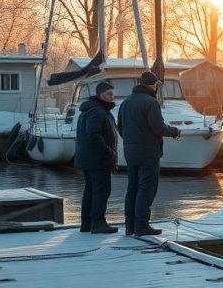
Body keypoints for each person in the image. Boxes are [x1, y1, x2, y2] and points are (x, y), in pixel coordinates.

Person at [117, 71, 180, 236]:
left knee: (132, 188)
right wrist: (174, 132)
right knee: (147, 188)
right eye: (156, 85)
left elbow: (120, 128)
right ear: (153, 85)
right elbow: (158, 127)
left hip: (129, 151)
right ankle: (142, 226)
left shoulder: (125, 103)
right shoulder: (151, 103)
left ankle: (130, 226)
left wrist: (131, 141)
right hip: (148, 152)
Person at [74, 81, 119, 234]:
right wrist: (109, 153)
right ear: (101, 95)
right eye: (109, 94)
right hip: (97, 160)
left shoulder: (91, 110)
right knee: (102, 190)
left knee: (90, 190)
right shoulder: (97, 111)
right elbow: (94, 136)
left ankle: (86, 224)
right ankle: (98, 222)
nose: (112, 97)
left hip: (89, 159)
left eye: (113, 94)